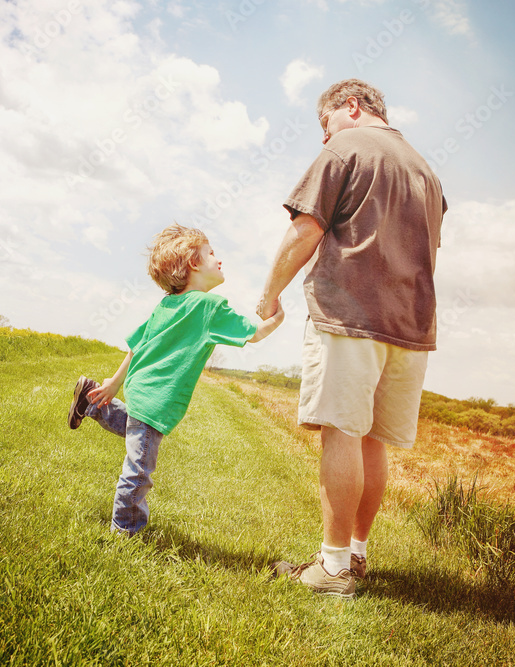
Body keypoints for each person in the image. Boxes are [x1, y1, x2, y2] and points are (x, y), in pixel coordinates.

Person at [259, 79, 446, 598]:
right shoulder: (426, 172)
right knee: (371, 440)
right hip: (410, 327)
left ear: (352, 107)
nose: (324, 139)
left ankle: (333, 568)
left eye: (325, 124)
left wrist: (268, 295)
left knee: (341, 431)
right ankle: (356, 555)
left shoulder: (348, 146)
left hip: (350, 316)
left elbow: (306, 228)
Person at [68, 223, 285, 536]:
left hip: (143, 390)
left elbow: (136, 345)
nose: (219, 259)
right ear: (194, 264)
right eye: (212, 253)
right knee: (139, 470)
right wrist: (277, 318)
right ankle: (125, 531)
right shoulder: (210, 306)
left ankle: (92, 401)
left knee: (134, 428)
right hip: (157, 399)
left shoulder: (166, 305)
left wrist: (114, 383)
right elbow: (255, 334)